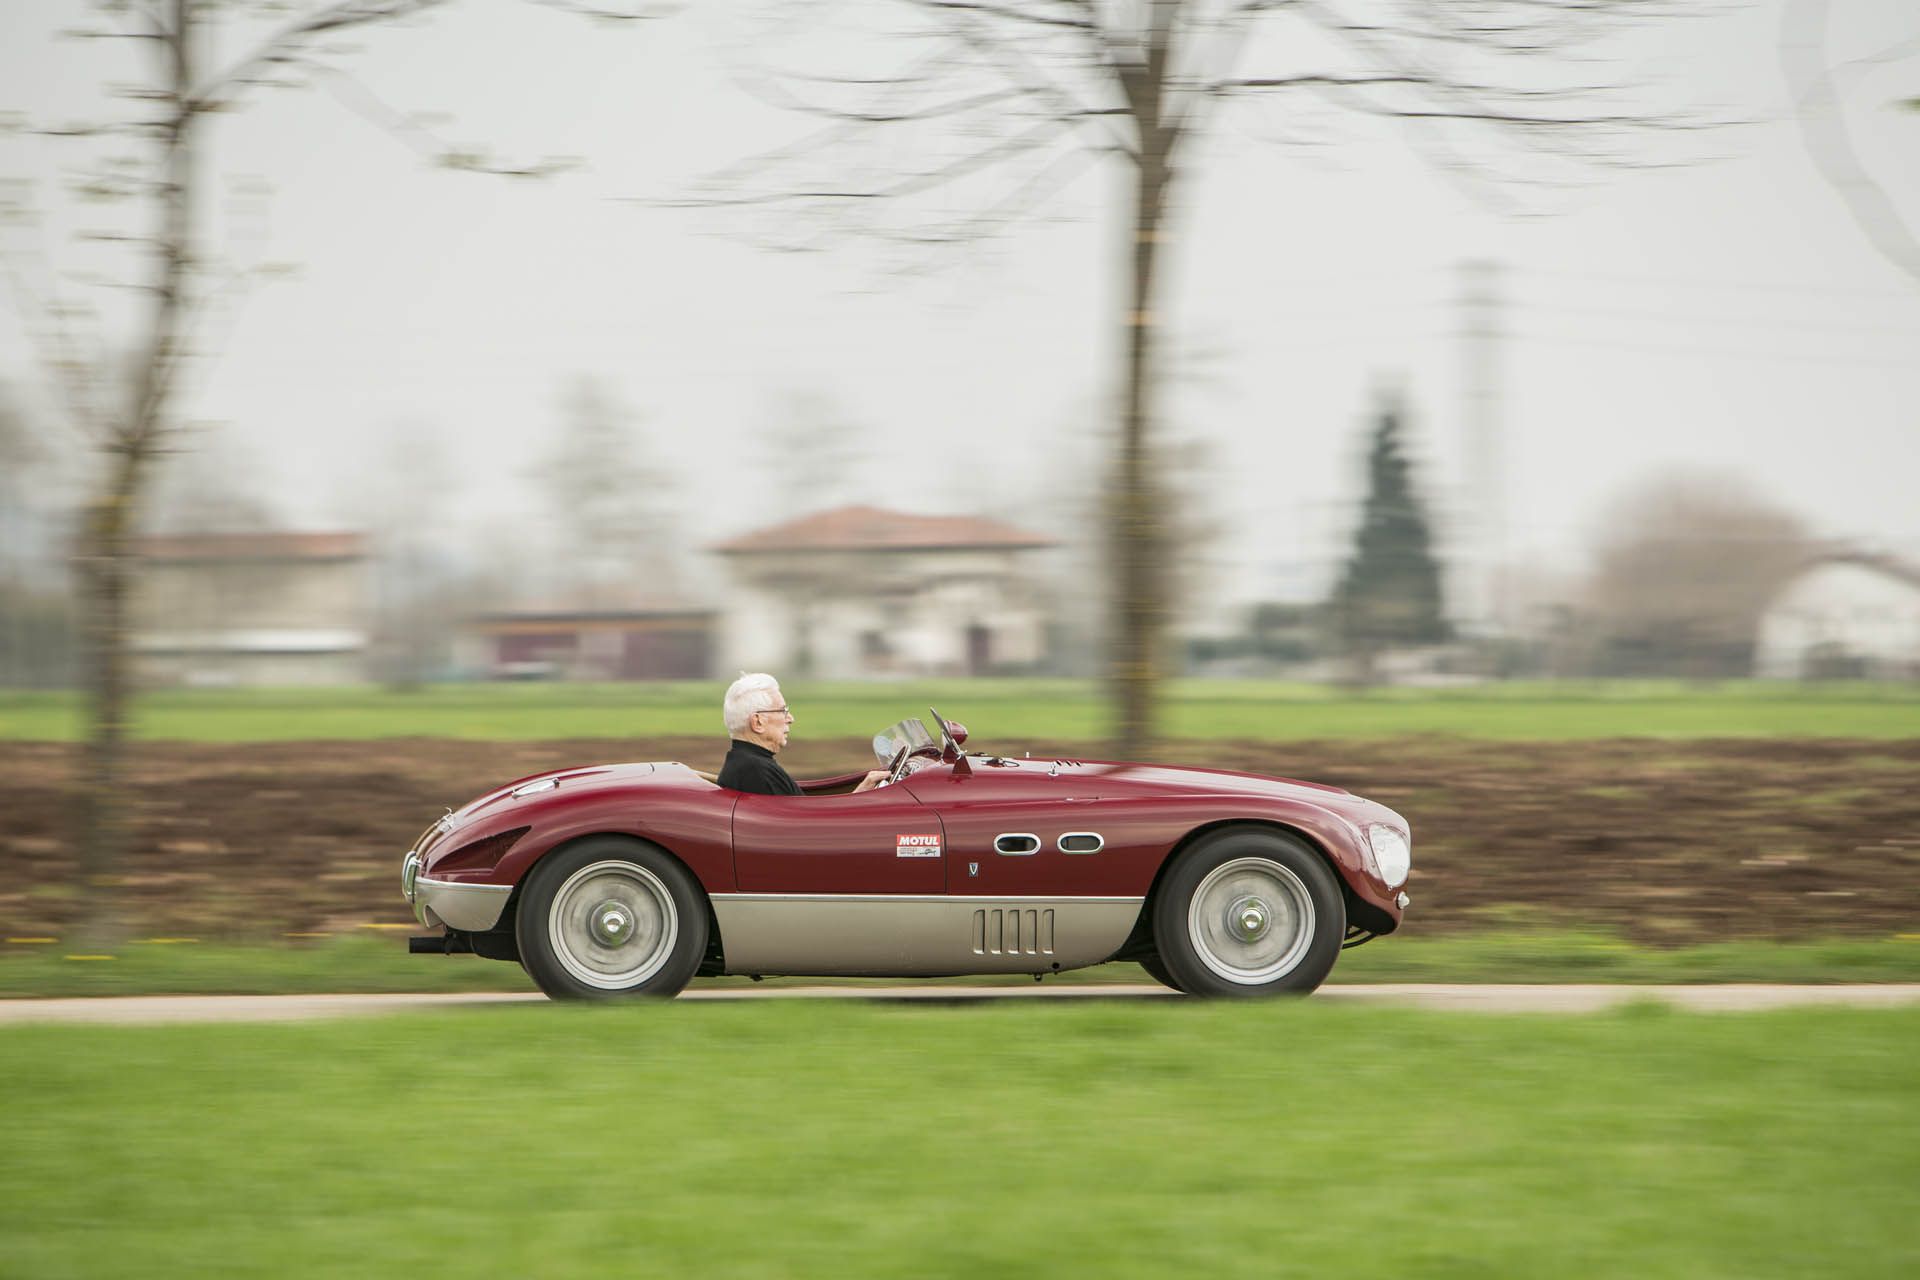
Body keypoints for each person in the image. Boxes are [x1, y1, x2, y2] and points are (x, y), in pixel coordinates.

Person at [717, 672, 888, 796]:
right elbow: (808, 830)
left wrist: (859, 794)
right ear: (758, 722)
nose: (790, 718)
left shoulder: (749, 764)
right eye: (783, 710)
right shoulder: (756, 771)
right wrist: (857, 800)